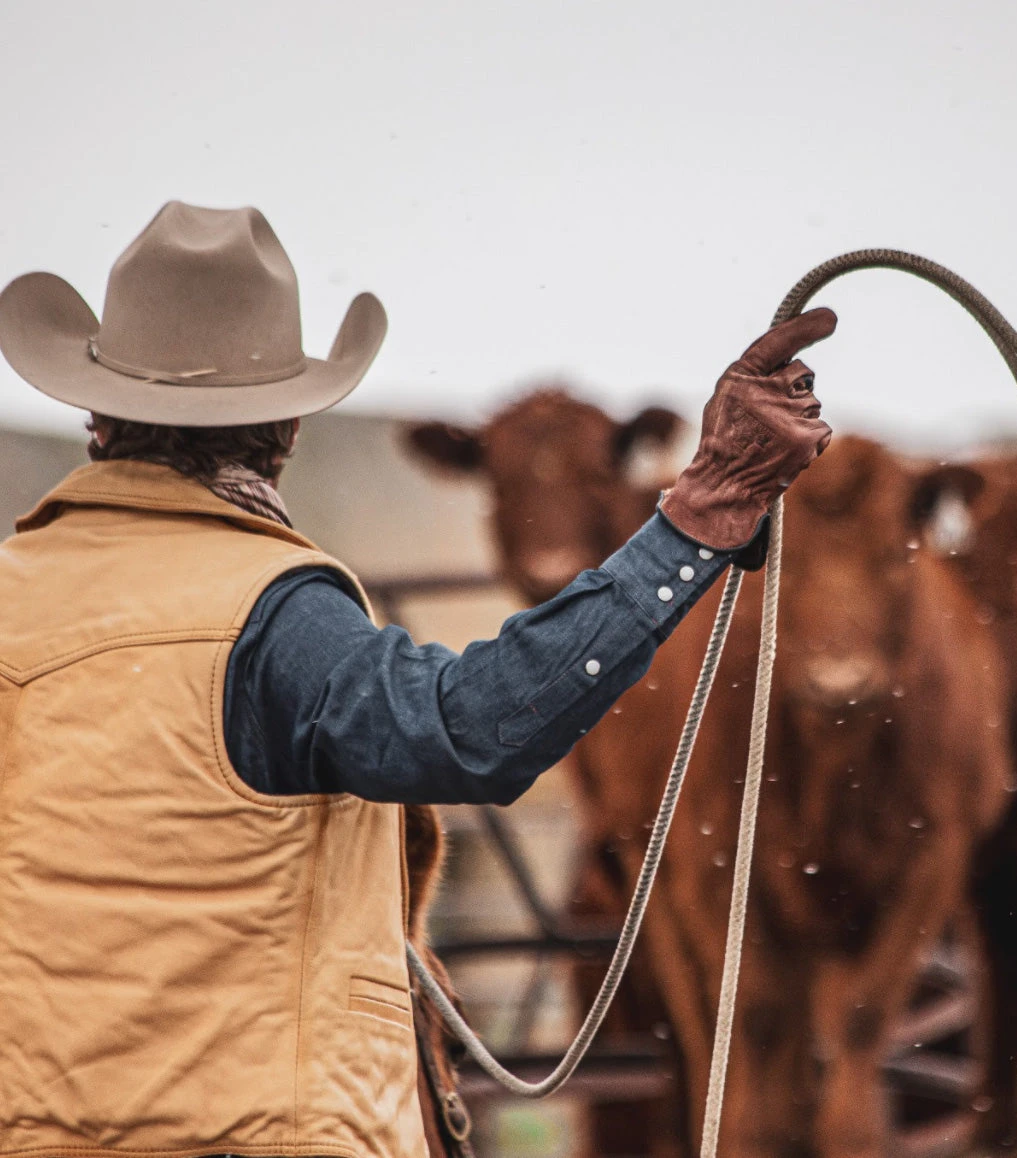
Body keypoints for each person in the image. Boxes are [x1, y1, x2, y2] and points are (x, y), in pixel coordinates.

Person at [0, 202, 836, 1158]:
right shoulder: (270, 613)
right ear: (286, 424)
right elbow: (478, 729)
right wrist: (699, 518)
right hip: (246, 1132)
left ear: (95, 413)